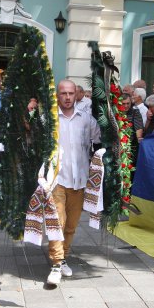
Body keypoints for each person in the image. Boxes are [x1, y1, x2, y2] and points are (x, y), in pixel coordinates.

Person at [47, 79, 100, 285]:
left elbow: (98, 142)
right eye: (63, 94)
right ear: (57, 96)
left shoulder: (87, 119)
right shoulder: (49, 119)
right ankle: (56, 263)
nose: (67, 97)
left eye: (70, 93)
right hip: (57, 180)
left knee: (70, 226)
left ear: (76, 94)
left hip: (79, 180)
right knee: (57, 222)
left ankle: (62, 257)